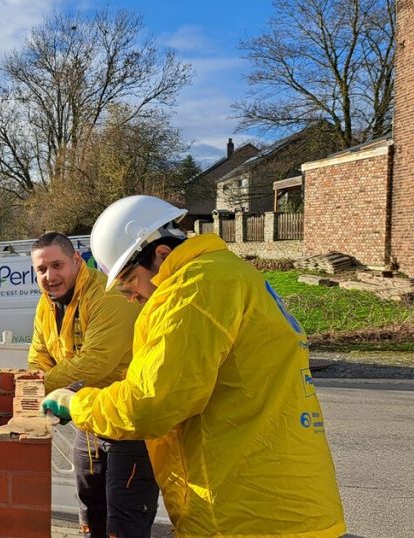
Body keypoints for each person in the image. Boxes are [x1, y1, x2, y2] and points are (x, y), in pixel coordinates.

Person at [44, 195, 346, 536]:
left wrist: (78, 403)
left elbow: (150, 405)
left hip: (247, 516)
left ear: (161, 255)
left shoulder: (190, 292)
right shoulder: (231, 275)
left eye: (128, 280)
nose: (130, 296)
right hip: (281, 503)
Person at [30, 232, 158, 538]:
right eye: (42, 269)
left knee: (124, 522)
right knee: (90, 514)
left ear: (76, 260)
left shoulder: (108, 295)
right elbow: (39, 357)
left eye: (57, 265)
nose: (50, 276)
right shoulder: (46, 305)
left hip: (128, 422)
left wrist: (37, 388)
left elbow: (96, 361)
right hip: (89, 420)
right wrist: (35, 383)